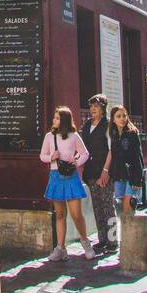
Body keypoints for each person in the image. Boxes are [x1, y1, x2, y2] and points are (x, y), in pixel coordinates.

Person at [40, 106, 93, 262]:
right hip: (55, 175)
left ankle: (86, 243)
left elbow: (85, 153)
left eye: (57, 118)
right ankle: (61, 248)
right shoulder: (49, 136)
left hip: (71, 176)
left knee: (76, 214)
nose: (54, 120)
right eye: (54, 117)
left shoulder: (74, 136)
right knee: (60, 214)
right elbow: (42, 155)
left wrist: (76, 163)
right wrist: (51, 157)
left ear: (63, 119)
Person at [81, 94, 118, 256]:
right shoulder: (87, 125)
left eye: (96, 106)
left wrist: (106, 171)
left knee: (107, 205)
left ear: (103, 108)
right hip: (91, 171)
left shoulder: (108, 125)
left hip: (104, 171)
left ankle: (113, 240)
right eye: (91, 106)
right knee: (97, 207)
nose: (93, 109)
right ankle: (102, 238)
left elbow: (112, 150)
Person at [109, 104, 144, 213]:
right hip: (118, 176)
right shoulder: (113, 134)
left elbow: (138, 156)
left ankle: (132, 230)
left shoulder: (132, 134)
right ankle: (124, 230)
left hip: (131, 176)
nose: (122, 119)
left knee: (128, 208)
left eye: (124, 115)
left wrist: (137, 180)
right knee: (120, 211)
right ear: (113, 119)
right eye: (118, 116)